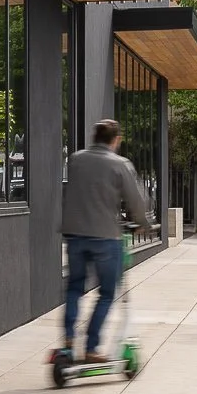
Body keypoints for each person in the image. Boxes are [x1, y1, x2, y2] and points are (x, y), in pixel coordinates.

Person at [59, 119, 152, 363]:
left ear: (94, 137)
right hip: (105, 237)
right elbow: (136, 201)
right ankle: (91, 347)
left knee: (74, 287)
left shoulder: (76, 160)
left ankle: (69, 338)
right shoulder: (120, 164)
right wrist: (144, 223)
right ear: (116, 140)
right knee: (107, 292)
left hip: (75, 234)